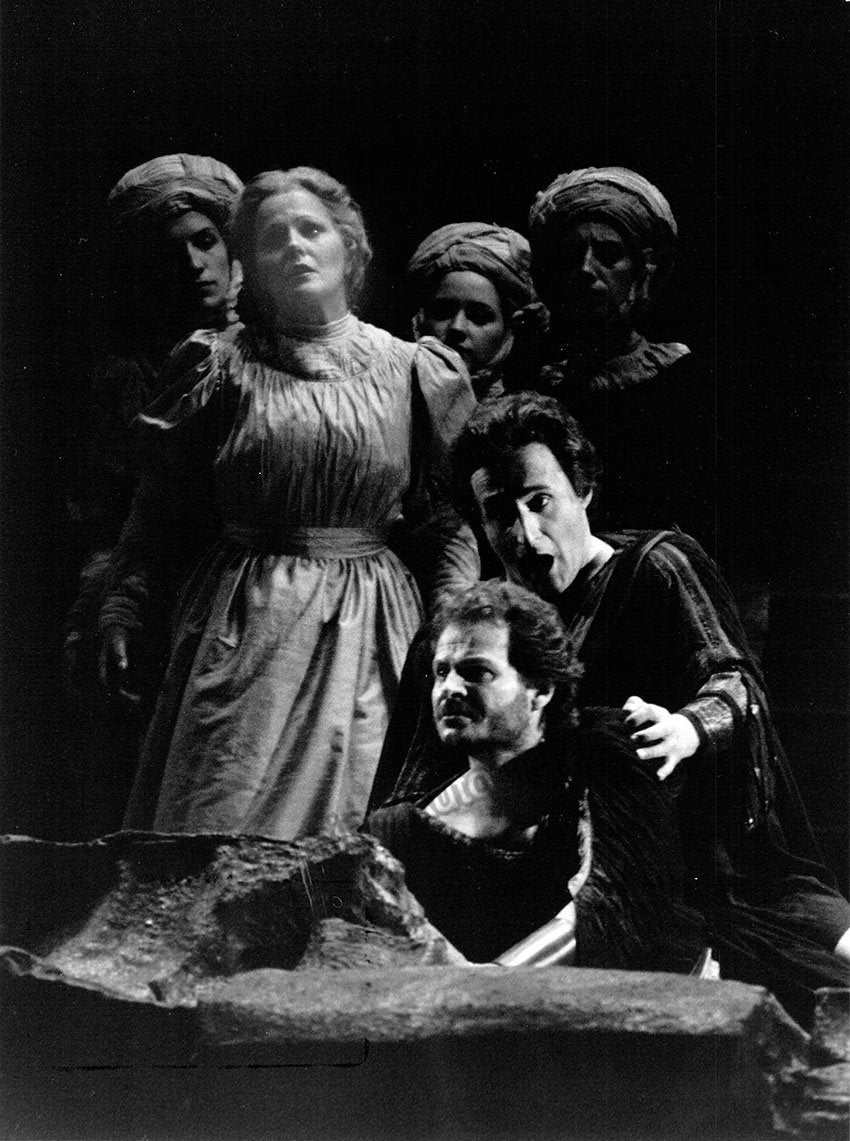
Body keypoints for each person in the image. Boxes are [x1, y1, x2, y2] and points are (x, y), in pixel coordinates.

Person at [371, 392, 850, 1028]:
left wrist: (686, 727)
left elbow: (734, 681)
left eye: (540, 502)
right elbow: (413, 784)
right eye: (499, 514)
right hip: (549, 873)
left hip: (709, 865)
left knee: (826, 961)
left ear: (583, 491)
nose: (525, 535)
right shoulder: (465, 634)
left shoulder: (654, 569)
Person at [98, 166, 478, 840]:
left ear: (349, 248)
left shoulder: (413, 370)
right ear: (252, 264)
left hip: (372, 629)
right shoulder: (217, 366)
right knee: (218, 826)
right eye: (274, 238)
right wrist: (122, 604)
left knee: (352, 834)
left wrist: (451, 621)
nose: (295, 247)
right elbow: (161, 508)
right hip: (245, 624)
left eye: (311, 229)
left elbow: (441, 522)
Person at [366, 580, 704, 970]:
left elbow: (617, 903)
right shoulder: (402, 830)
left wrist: (495, 980)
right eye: (442, 672)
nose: (450, 688)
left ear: (540, 690)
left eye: (476, 672)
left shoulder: (602, 756)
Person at [61, 154, 244, 838]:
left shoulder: (272, 346)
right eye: (172, 254)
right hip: (162, 591)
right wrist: (105, 605)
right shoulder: (128, 378)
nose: (195, 265)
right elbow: (112, 513)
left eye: (206, 241)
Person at [527, 166, 718, 557]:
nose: (585, 270)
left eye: (609, 255)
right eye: (571, 256)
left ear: (642, 271)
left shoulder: (682, 378)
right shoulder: (539, 382)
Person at [405, 222, 547, 400]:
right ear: (421, 320)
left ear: (508, 330)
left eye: (479, 317)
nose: (457, 327)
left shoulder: (527, 409)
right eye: (443, 312)